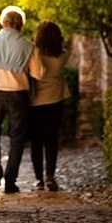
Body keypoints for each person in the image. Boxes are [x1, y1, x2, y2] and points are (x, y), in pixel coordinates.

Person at [0, 5, 34, 194]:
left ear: (4, 22)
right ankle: (10, 182)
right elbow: (39, 73)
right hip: (18, 94)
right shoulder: (28, 46)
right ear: (20, 24)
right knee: (17, 138)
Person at [28, 20, 72, 192]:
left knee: (36, 141)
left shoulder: (34, 53)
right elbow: (66, 48)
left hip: (35, 101)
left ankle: (38, 179)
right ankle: (50, 176)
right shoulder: (62, 56)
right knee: (51, 139)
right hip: (56, 100)